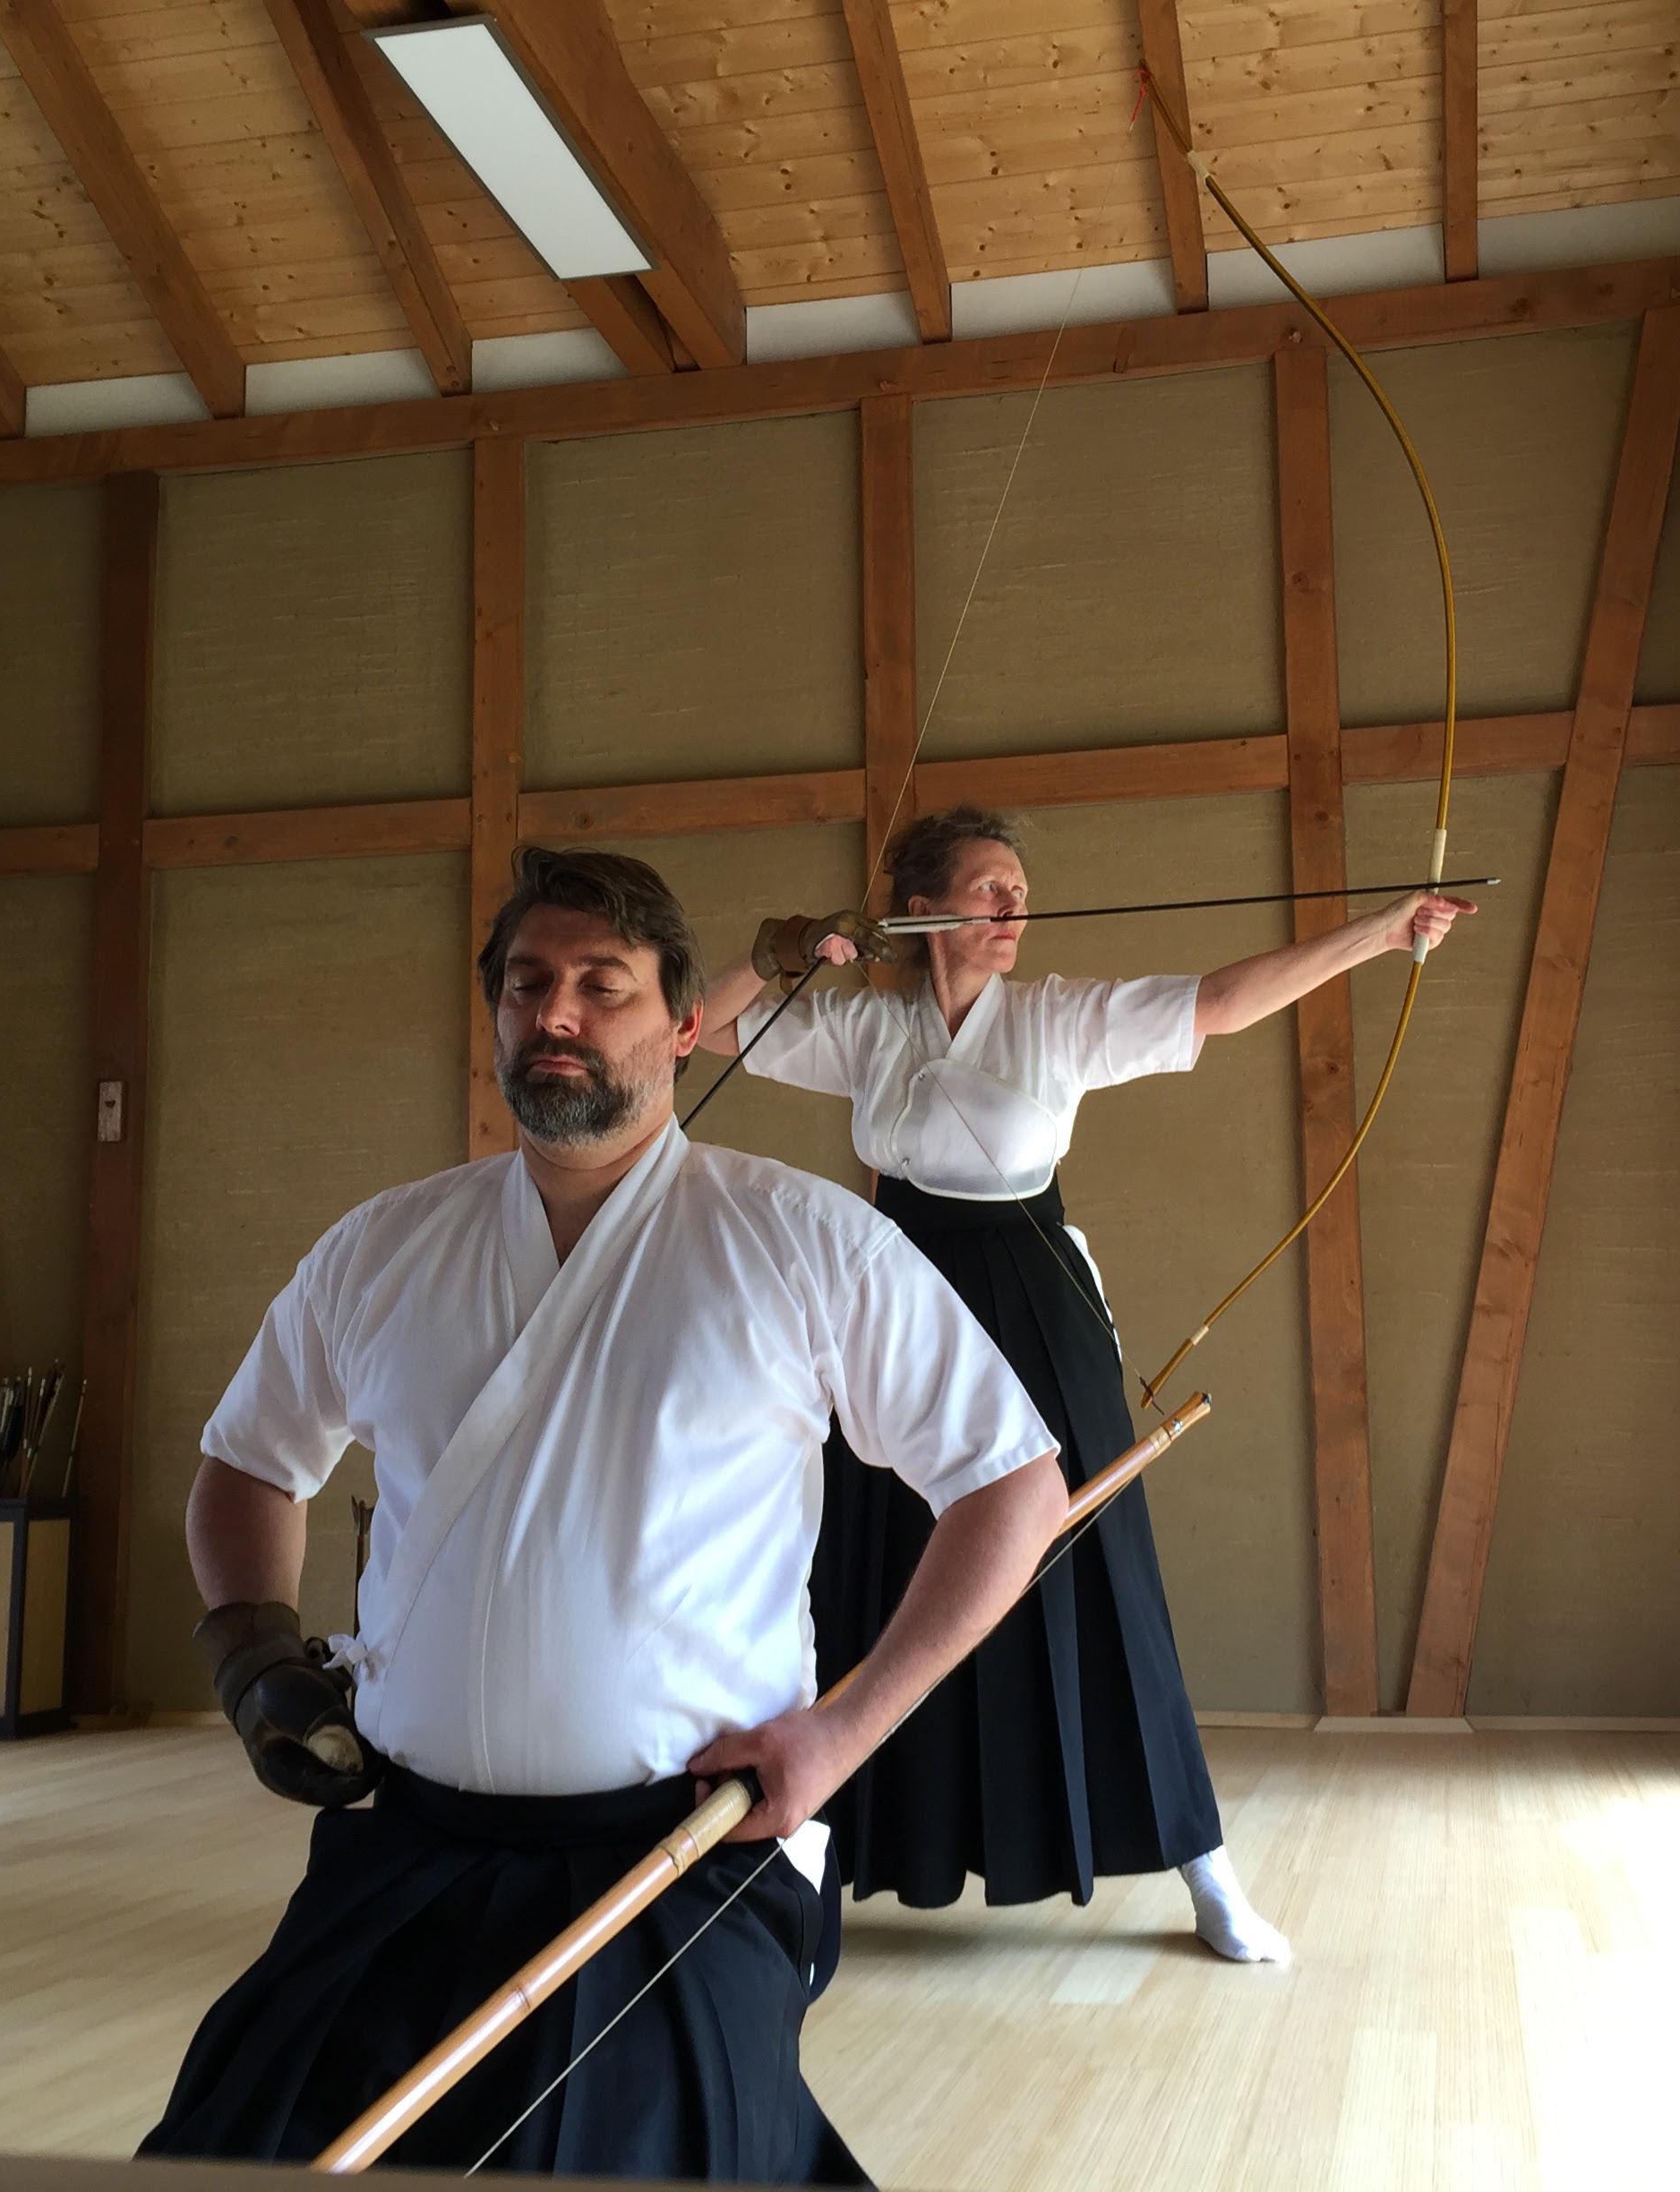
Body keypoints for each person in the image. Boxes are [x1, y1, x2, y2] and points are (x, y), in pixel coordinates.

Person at [141, 847, 1068, 2184]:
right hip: (405, 1841)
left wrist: (843, 1733)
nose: (556, 1013)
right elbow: (247, 1465)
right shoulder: (383, 1246)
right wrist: (251, 1653)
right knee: (236, 2139)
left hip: (683, 1855)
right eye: (526, 984)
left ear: (686, 1025)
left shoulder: (803, 1238)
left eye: (602, 985)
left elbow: (1011, 1485)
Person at [699, 808, 1472, 1964]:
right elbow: (698, 1027)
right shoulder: (866, 1026)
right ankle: (812, 1870)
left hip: (1033, 1305)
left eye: (1021, 889)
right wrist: (785, 949)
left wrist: (1382, 929)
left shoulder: (1058, 1018)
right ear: (921, 910)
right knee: (875, 1564)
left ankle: (1205, 1867)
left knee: (1094, 1563)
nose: (1015, 908)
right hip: (894, 1300)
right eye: (988, 888)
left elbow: (1222, 1000)